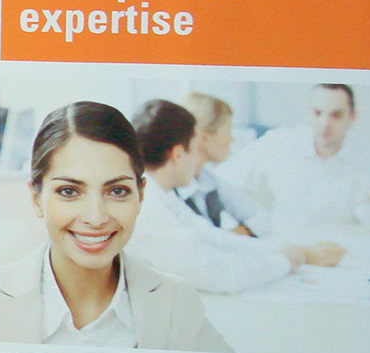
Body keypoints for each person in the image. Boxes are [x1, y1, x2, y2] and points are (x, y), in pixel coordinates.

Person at [0, 102, 228, 351]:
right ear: (36, 198)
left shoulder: (176, 302)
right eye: (69, 191)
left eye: (117, 191)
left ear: (140, 196)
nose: (96, 218)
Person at [128, 100, 346, 293]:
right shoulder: (150, 210)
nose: (196, 159)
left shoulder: (160, 196)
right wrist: (286, 261)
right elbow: (221, 276)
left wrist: (292, 251)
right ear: (177, 154)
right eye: (194, 150)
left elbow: (212, 236)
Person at [214, 83, 370, 233]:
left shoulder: (368, 154)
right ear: (308, 112)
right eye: (317, 113)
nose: (325, 124)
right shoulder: (280, 142)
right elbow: (224, 180)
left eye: (336, 115)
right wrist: (246, 225)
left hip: (341, 248)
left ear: (352, 117)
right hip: (286, 244)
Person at [178, 91, 269, 235]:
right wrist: (231, 236)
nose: (231, 139)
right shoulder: (172, 187)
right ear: (204, 138)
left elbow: (258, 216)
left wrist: (242, 232)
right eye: (227, 130)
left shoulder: (209, 180)